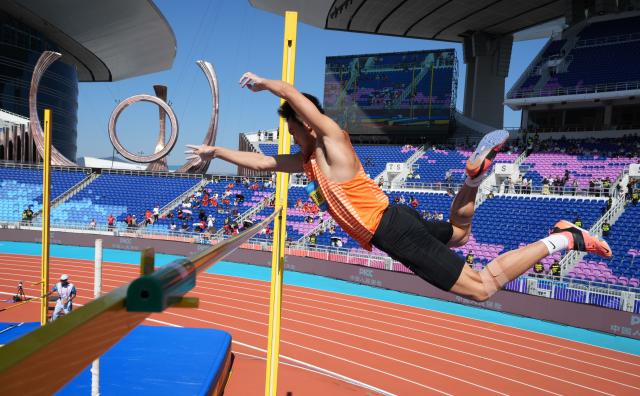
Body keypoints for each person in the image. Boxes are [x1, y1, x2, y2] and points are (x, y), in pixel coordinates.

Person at [184, 72, 612, 302]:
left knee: (482, 287)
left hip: (391, 229)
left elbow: (300, 101)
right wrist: (215, 150)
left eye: (293, 129)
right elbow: (259, 160)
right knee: (460, 234)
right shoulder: (308, 162)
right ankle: (473, 177)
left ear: (306, 123)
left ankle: (565, 238)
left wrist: (271, 86)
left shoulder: (331, 141)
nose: (291, 137)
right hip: (394, 218)